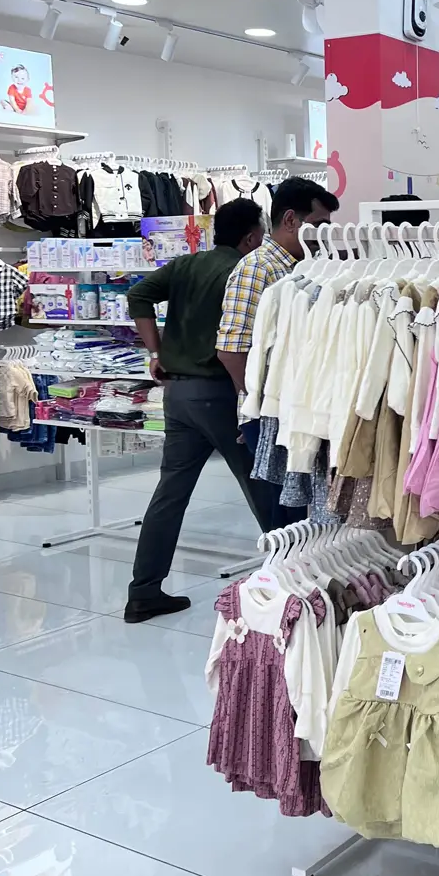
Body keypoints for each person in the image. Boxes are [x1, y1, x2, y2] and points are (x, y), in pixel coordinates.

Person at [123, 198, 272, 623]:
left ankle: (144, 592)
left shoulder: (186, 265)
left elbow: (138, 295)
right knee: (261, 483)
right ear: (251, 237)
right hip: (221, 394)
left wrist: (155, 352)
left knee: (169, 494)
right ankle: (291, 577)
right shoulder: (244, 272)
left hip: (178, 395)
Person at [216, 175, 339, 497]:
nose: (324, 235)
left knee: (303, 505)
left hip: (298, 409)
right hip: (271, 413)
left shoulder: (309, 266)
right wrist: (259, 402)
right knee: (283, 511)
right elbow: (231, 350)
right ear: (290, 220)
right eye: (319, 225)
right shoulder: (257, 268)